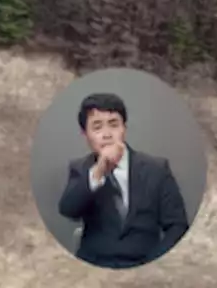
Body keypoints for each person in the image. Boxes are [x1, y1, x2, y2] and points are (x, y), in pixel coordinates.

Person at [57, 92, 190, 268]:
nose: (107, 134)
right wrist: (98, 172)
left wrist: (154, 264)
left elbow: (177, 226)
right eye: (97, 127)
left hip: (147, 264)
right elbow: (68, 210)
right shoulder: (80, 168)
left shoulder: (156, 168)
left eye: (114, 125)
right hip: (95, 265)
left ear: (124, 128)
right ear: (85, 134)